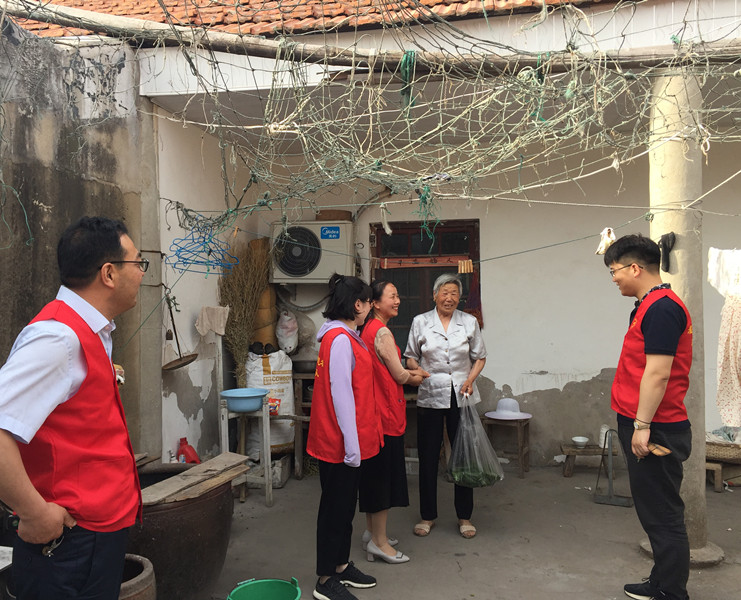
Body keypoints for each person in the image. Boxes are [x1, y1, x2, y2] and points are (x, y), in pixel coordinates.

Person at [0, 216, 147, 600]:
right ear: (109, 273)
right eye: (138, 263)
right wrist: (34, 512)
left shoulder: (92, 330)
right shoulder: (58, 338)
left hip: (95, 535)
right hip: (67, 545)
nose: (142, 274)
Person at [604, 234, 693, 600]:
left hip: (655, 425)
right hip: (646, 421)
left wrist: (641, 426)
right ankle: (661, 581)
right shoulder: (649, 305)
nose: (614, 279)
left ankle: (671, 591)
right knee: (655, 511)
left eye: (615, 271)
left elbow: (657, 373)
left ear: (635, 268)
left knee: (663, 513)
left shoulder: (662, 309)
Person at [306, 274, 384, 600]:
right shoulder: (339, 340)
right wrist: (352, 447)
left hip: (346, 442)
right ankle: (325, 579)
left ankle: (340, 566)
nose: (370, 308)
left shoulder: (344, 336)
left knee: (345, 508)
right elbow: (341, 396)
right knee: (334, 511)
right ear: (357, 305)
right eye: (367, 302)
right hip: (339, 444)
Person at [404, 273, 487, 540]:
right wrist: (418, 370)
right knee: (428, 455)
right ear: (435, 295)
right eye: (444, 292)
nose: (449, 298)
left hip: (461, 394)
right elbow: (410, 357)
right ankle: (427, 515)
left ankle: (465, 516)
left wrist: (470, 380)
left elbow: (480, 357)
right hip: (430, 393)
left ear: (459, 297)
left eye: (454, 293)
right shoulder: (420, 322)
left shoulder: (469, 322)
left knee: (463, 455)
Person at [358, 281, 429, 564]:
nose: (398, 300)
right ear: (375, 303)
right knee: (382, 480)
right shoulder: (382, 331)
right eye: (392, 296)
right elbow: (399, 375)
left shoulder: (366, 329)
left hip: (372, 412)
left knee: (372, 476)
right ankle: (380, 543)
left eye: (398, 295)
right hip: (385, 414)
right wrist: (419, 375)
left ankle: (371, 533)